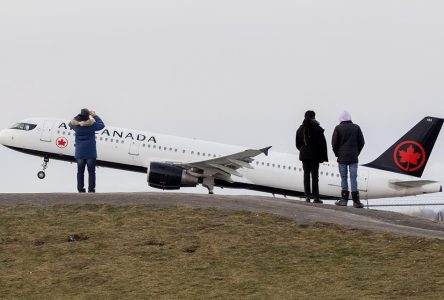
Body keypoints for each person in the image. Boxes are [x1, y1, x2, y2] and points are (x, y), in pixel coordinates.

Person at [332, 111, 365, 208]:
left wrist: (337, 154)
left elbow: (334, 143)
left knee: (344, 178)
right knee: (353, 178)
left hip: (342, 158)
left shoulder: (338, 128)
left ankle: (344, 200)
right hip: (353, 158)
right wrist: (356, 153)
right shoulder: (356, 127)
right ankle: (356, 201)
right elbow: (362, 142)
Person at [69, 109, 105, 193]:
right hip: (90, 152)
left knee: (80, 172)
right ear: (88, 115)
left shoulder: (75, 126)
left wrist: (79, 115)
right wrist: (94, 116)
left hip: (80, 153)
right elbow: (102, 125)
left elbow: (70, 123)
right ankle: (91, 190)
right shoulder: (92, 125)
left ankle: (80, 189)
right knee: (91, 172)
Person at [296, 110, 328, 203]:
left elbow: (297, 144)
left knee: (306, 175)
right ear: (314, 117)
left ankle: (307, 196)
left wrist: (303, 150)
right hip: (315, 156)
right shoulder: (318, 129)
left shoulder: (300, 129)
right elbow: (323, 144)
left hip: (304, 156)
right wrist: (322, 155)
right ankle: (316, 197)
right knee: (314, 176)